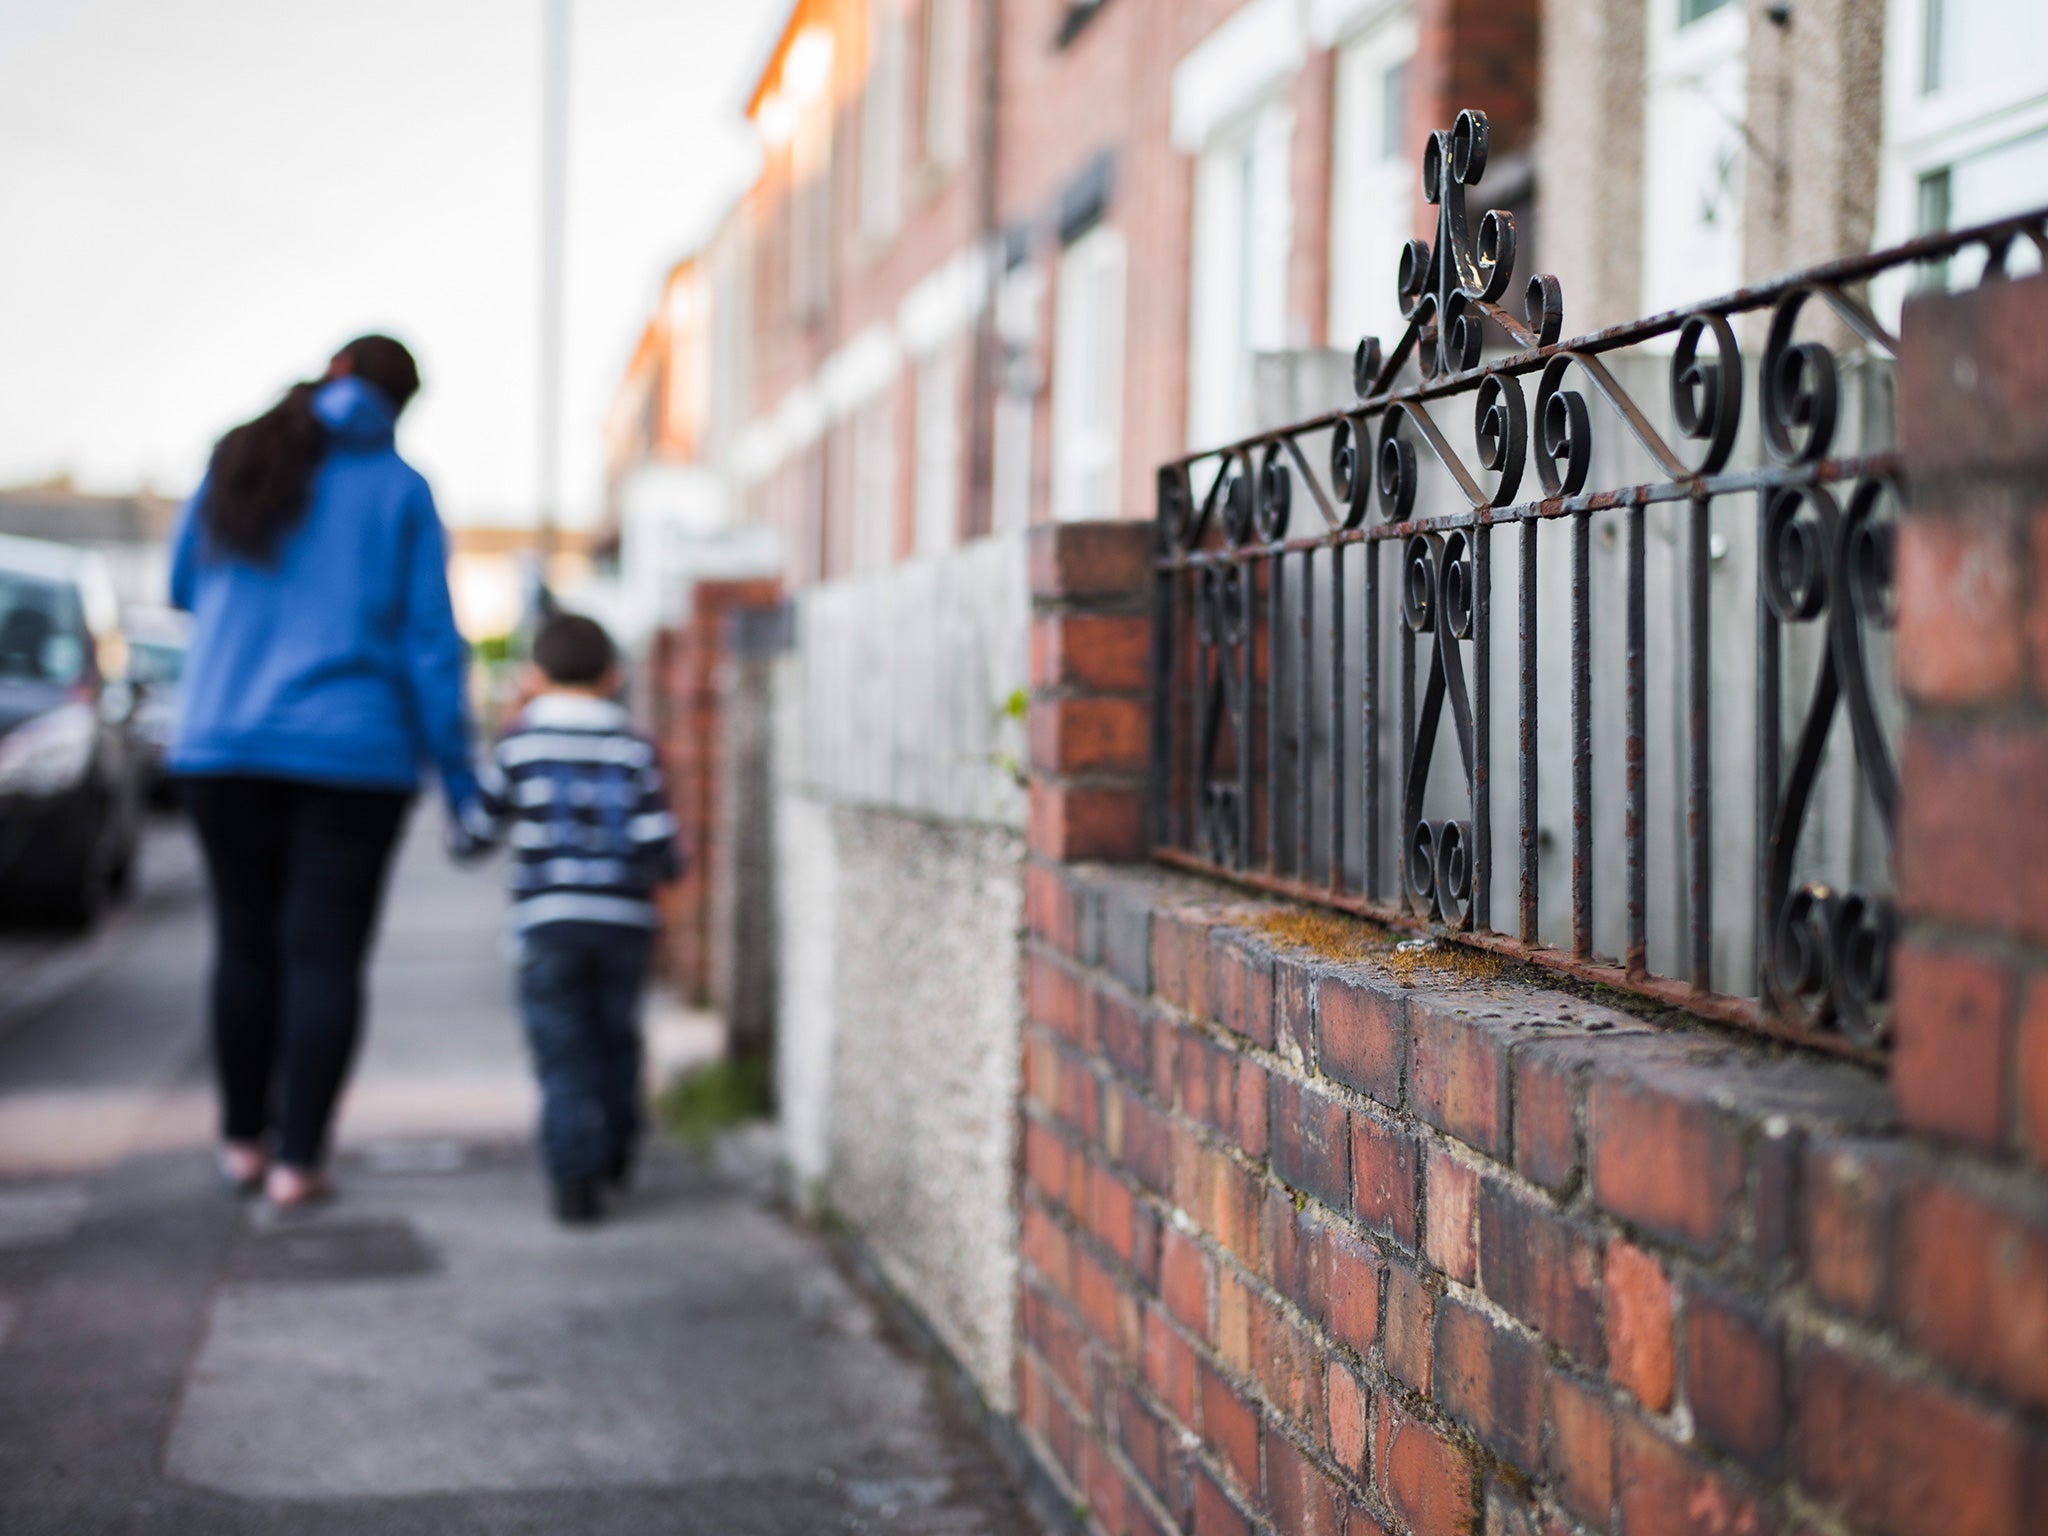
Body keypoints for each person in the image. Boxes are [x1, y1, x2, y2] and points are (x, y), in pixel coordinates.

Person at [169, 335, 476, 1210]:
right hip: (355, 754)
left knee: (244, 943)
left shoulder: (238, 457)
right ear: (400, 404)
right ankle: (300, 1164)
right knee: (325, 957)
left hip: (222, 740)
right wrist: (458, 784)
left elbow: (185, 585)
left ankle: (240, 1147)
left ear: (335, 371)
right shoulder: (402, 490)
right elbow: (429, 647)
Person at [467, 612, 681, 1225]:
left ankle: (572, 1177)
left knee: (562, 1051)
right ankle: (616, 1144)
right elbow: (655, 840)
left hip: (546, 924)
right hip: (623, 923)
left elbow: (478, 831)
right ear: (613, 676)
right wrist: (669, 870)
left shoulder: (519, 745)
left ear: (535, 676)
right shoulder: (633, 747)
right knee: (617, 1038)